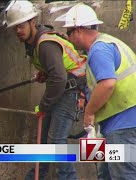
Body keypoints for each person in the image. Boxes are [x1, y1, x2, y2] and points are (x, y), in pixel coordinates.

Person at [0, 1, 87, 179]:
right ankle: (36, 176)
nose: (18, 31)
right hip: (62, 89)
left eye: (21, 26)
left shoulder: (45, 43)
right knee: (43, 140)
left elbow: (60, 78)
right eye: (15, 28)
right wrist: (45, 73)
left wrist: (44, 106)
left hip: (70, 91)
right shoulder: (35, 42)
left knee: (57, 141)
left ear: (33, 21)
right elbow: (57, 71)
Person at [60, 3, 136, 179]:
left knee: (124, 175)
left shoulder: (99, 49)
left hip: (123, 123)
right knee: (106, 175)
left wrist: (89, 111)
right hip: (117, 123)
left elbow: (108, 84)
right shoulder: (108, 44)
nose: (68, 38)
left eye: (69, 32)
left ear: (78, 30)